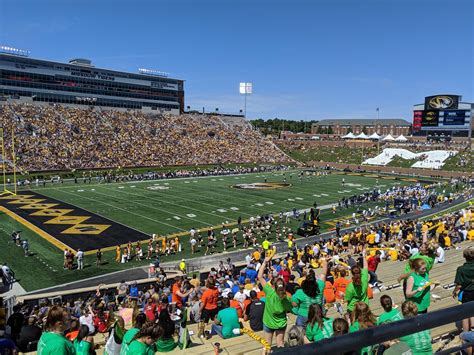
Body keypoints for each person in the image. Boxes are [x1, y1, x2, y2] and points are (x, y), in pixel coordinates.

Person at [258, 256, 292, 353]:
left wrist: (264, 262)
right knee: (280, 345)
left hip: (268, 322)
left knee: (266, 346)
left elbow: (260, 276)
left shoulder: (269, 292)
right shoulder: (287, 298)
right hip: (281, 324)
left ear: (274, 286)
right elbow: (291, 308)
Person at [291, 260, 327, 327]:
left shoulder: (300, 292)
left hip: (304, 315)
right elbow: (323, 275)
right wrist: (325, 262)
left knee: (301, 330)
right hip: (318, 314)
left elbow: (294, 304)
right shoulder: (320, 286)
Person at [452, 248, 474, 333]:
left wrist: (454, 292)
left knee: (466, 314)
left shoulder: (461, 269)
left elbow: (459, 285)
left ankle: (465, 333)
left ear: (464, 256)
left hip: (467, 292)